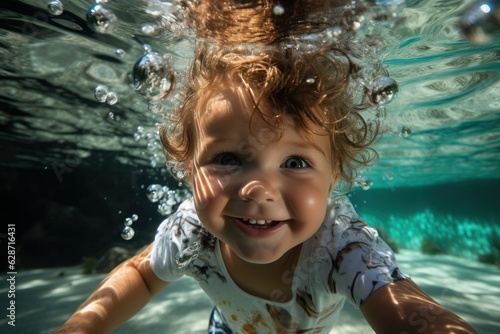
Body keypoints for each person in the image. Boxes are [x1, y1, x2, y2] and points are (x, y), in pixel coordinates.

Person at [55, 1, 478, 333]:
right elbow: (142, 278)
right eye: (227, 159)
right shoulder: (193, 230)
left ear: (334, 177)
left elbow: (405, 308)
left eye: (295, 161)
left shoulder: (342, 245)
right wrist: (80, 326)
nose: (258, 189)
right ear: (187, 166)